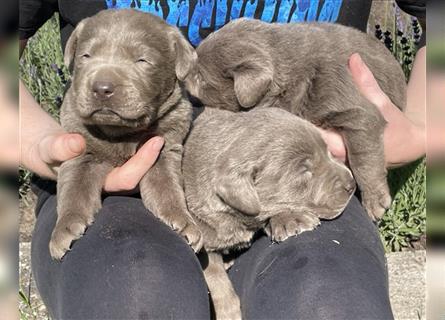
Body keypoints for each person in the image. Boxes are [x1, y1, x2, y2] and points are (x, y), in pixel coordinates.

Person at [19, 0, 426, 318]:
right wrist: (41, 144)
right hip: (109, 182)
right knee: (134, 289)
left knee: (325, 297)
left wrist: (424, 129)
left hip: (294, 183)